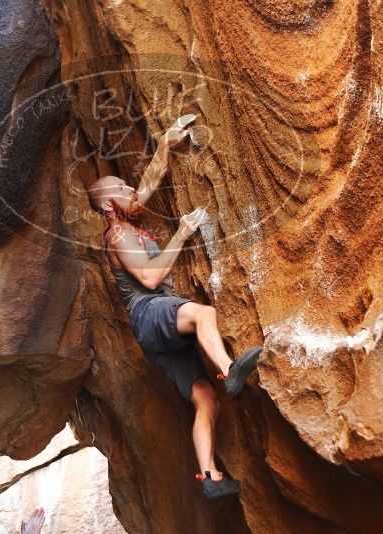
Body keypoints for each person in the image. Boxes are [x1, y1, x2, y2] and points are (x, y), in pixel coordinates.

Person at [87, 114, 262, 499]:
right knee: (204, 314)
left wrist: (165, 143)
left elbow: (148, 183)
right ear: (108, 206)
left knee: (205, 399)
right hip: (150, 312)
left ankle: (210, 477)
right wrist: (183, 231)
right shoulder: (117, 234)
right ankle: (230, 370)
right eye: (122, 188)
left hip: (156, 339)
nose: (131, 188)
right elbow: (149, 279)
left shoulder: (126, 221)